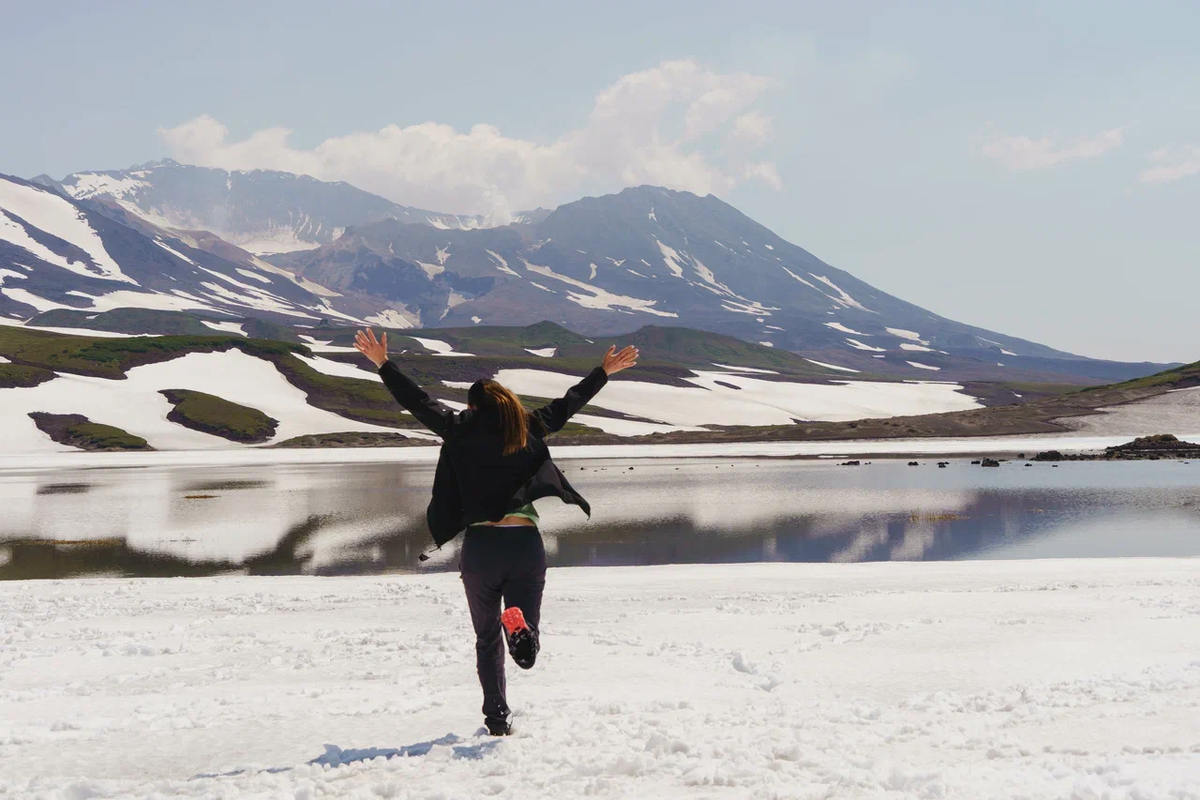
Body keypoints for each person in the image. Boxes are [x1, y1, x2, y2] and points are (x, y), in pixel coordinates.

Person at [354, 328, 638, 736]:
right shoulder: (528, 426)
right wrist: (603, 372)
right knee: (523, 637)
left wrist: (383, 363)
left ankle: (497, 719)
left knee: (487, 640)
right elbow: (567, 406)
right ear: (507, 403)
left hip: (482, 547)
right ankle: (522, 634)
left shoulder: (457, 428)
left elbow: (416, 401)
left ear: (472, 406)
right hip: (524, 543)